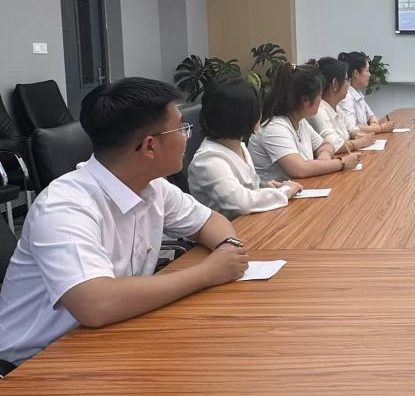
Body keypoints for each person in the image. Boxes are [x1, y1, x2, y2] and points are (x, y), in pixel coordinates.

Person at [0, 78, 248, 368]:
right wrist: (207, 273)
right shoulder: (64, 207)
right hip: (33, 363)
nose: (187, 136)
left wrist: (227, 247)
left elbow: (209, 221)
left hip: (107, 339)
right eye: (181, 128)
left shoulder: (152, 187)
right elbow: (95, 304)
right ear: (150, 146)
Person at [188, 77, 303, 220]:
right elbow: (241, 203)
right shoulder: (208, 161)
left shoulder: (238, 145)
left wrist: (264, 187)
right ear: (244, 116)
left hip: (250, 222)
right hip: (230, 229)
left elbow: (246, 187)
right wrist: (285, 191)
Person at [249, 64, 360, 183]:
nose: (321, 99)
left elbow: (326, 145)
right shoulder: (274, 128)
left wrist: (323, 159)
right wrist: (342, 163)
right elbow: (300, 169)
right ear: (305, 100)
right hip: (279, 194)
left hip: (303, 188)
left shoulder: (300, 121)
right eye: (319, 94)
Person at [305, 57, 376, 154]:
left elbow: (351, 129)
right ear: (335, 84)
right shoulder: (318, 111)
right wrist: (362, 142)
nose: (348, 84)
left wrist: (363, 136)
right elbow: (334, 145)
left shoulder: (336, 108)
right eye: (346, 79)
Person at [338, 51, 394, 135]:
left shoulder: (357, 92)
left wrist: (373, 126)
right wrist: (380, 128)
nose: (370, 74)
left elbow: (372, 116)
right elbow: (351, 129)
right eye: (367, 71)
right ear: (356, 73)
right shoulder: (346, 96)